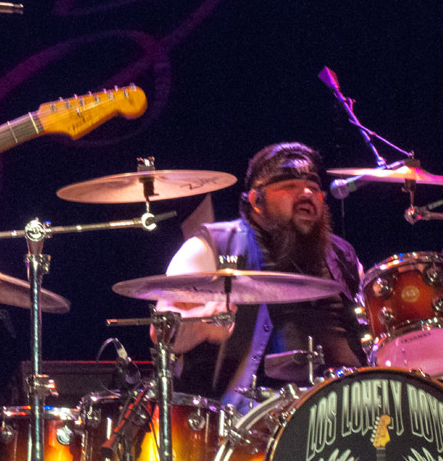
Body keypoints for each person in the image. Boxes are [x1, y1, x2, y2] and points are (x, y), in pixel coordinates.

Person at [154, 142, 367, 410]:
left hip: (351, 408)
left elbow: (373, 329)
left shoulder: (343, 255)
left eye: (313, 187)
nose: (306, 193)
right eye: (290, 186)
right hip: (255, 418)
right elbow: (162, 332)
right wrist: (202, 323)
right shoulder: (212, 246)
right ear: (257, 201)